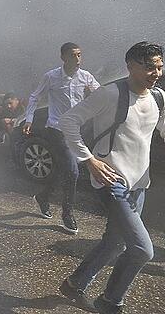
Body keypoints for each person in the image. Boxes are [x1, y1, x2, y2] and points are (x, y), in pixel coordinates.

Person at [57, 42, 164, 314]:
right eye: (149, 66)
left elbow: (158, 129)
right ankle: (110, 302)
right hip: (113, 180)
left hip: (140, 183)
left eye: (160, 65)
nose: (156, 72)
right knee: (142, 250)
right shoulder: (110, 94)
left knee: (115, 242)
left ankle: (74, 284)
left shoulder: (159, 98)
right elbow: (68, 121)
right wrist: (89, 160)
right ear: (130, 66)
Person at [23, 42, 100, 234]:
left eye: (80, 55)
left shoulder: (85, 76)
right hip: (56, 129)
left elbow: (101, 95)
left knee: (62, 170)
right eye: (73, 55)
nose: (78, 59)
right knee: (73, 172)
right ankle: (67, 214)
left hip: (76, 130)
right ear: (63, 58)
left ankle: (43, 197)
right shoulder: (51, 77)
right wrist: (29, 119)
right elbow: (34, 96)